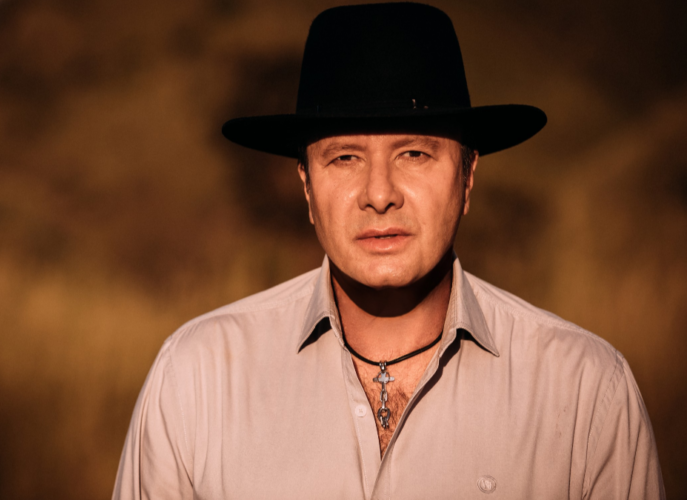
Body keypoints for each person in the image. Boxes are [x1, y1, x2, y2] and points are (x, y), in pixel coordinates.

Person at [113, 3, 664, 499]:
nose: (379, 194)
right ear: (306, 186)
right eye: (344, 158)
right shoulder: (197, 379)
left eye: (415, 154)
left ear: (468, 175)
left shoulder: (586, 392)